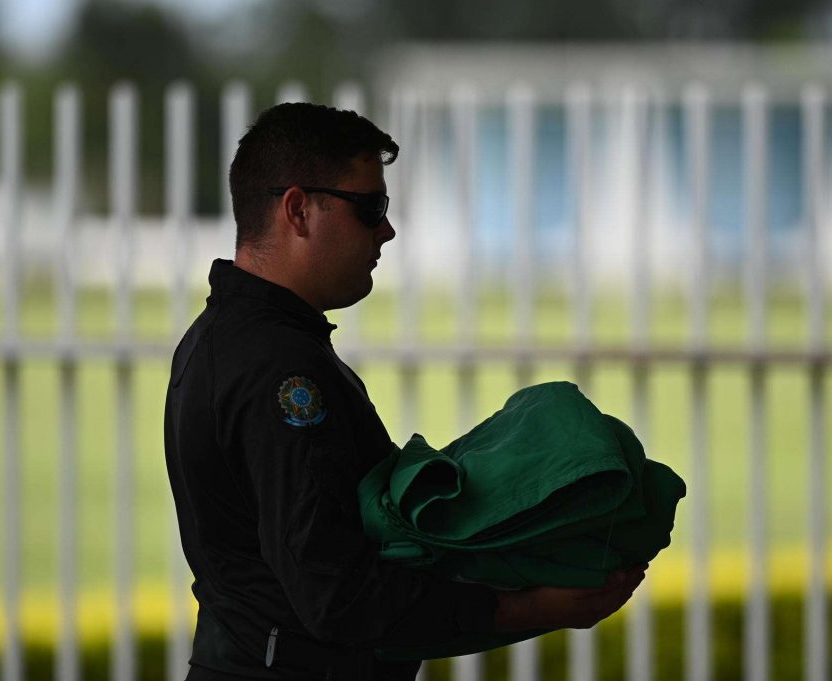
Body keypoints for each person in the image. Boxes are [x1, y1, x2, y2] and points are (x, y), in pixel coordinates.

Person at [164, 102, 646, 681]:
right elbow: (336, 595)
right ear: (298, 210)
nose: (387, 230)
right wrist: (527, 607)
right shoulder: (280, 370)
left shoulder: (232, 339)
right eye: (370, 207)